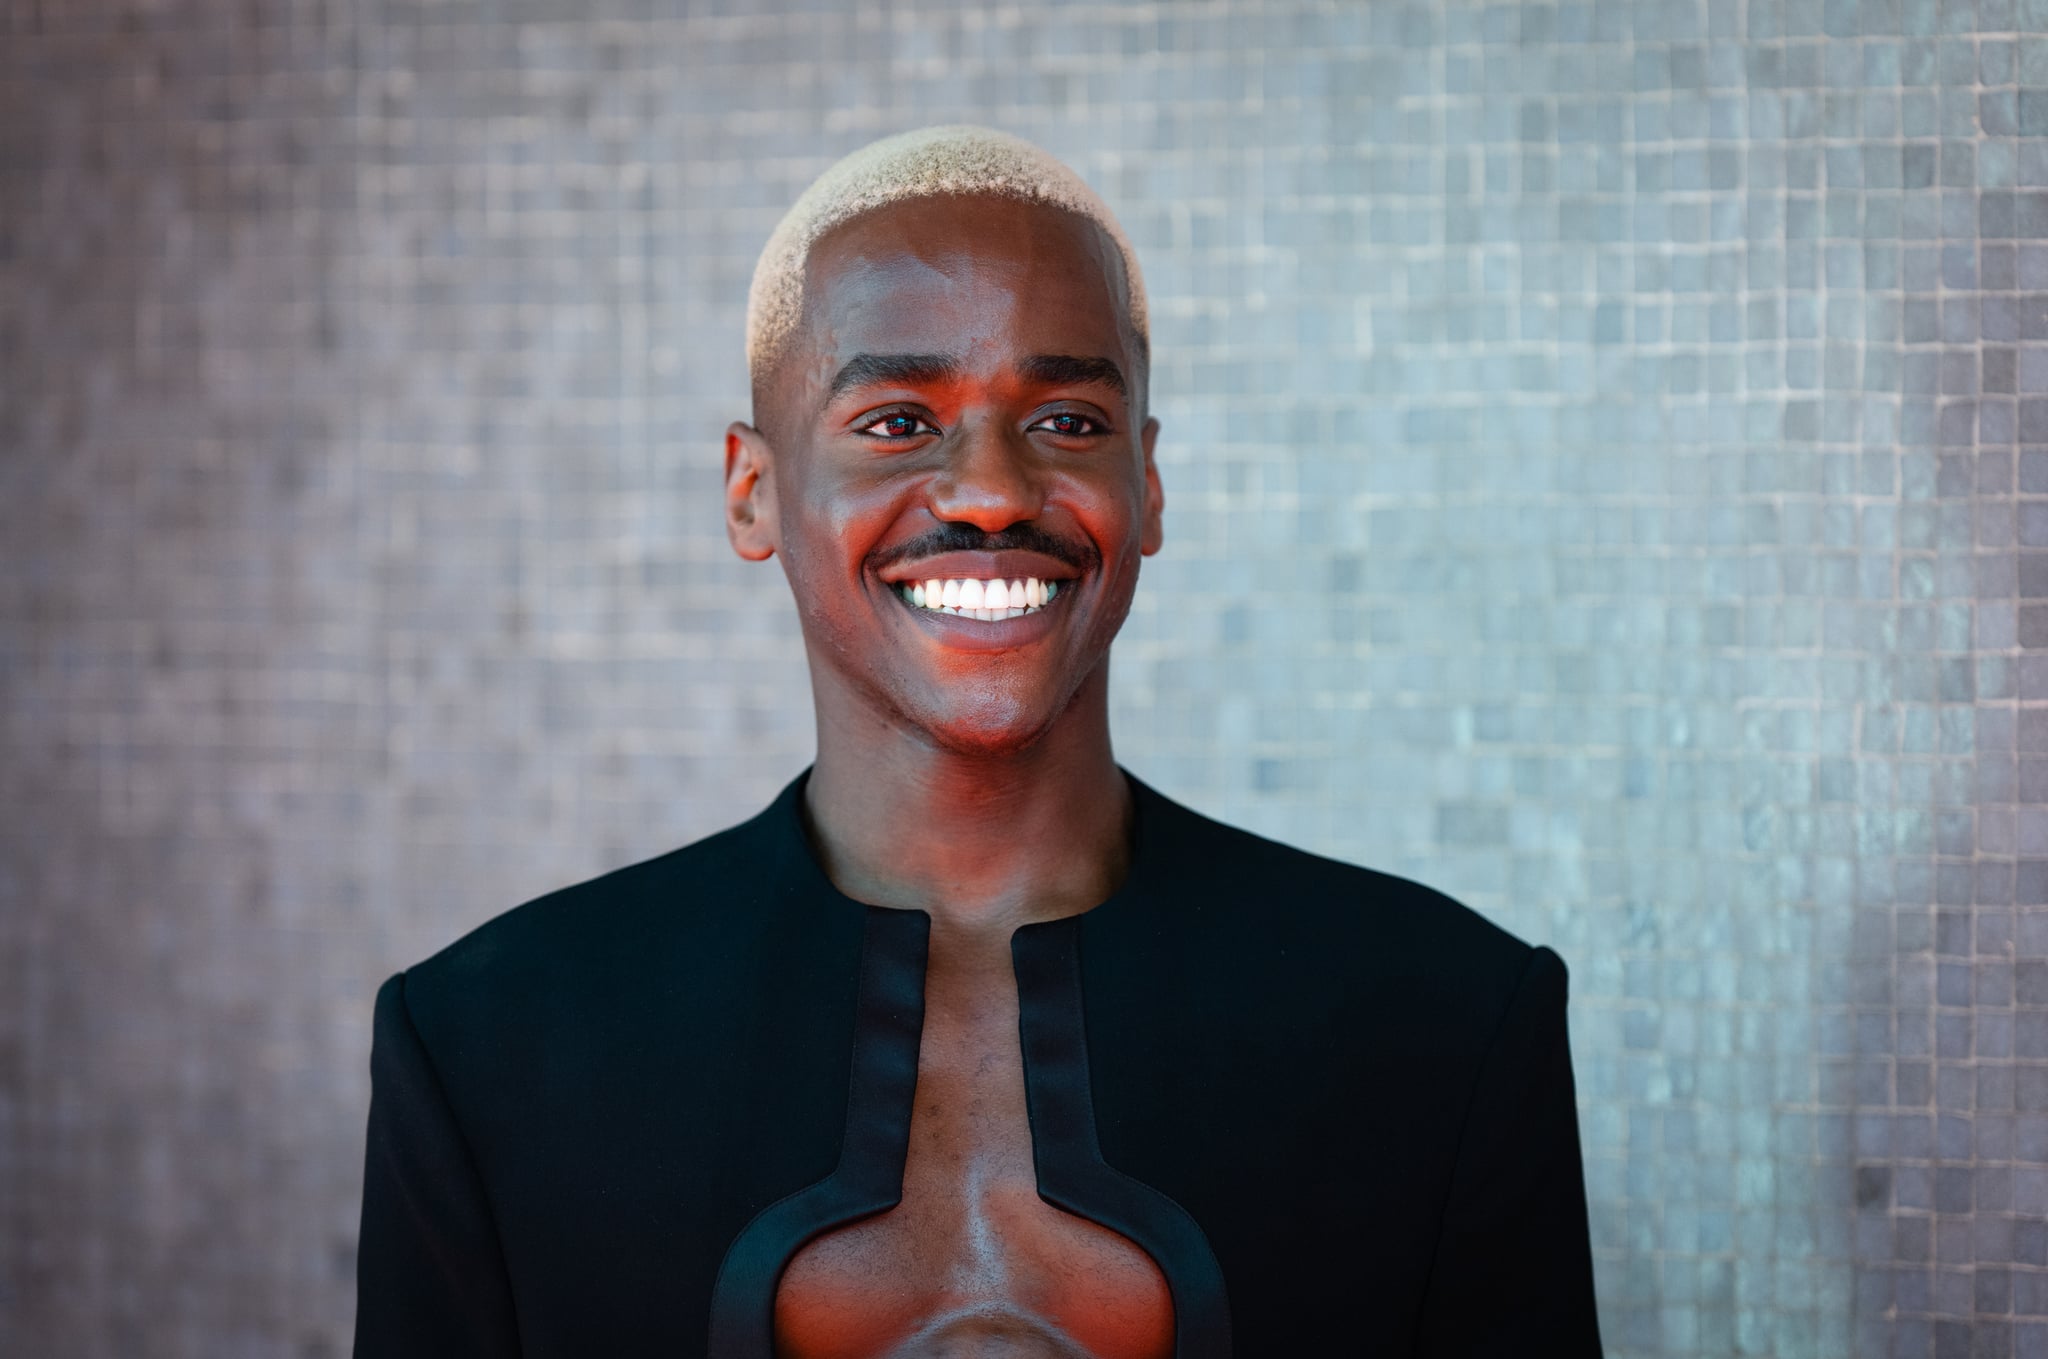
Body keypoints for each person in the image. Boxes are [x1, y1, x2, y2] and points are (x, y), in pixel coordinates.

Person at [352, 124, 1604, 1359]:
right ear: (752, 493)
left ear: (1147, 488)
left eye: (1066, 421)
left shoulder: (1442, 1027)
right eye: (898, 421)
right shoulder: (493, 1048)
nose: (993, 493)